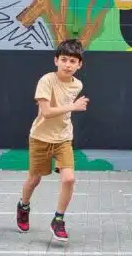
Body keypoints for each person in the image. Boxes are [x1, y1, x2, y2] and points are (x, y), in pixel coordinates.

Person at [17, 38, 88, 241]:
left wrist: (71, 109)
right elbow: (47, 112)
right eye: (64, 60)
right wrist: (73, 107)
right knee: (34, 179)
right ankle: (23, 206)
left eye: (72, 61)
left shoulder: (77, 85)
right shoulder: (46, 80)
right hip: (40, 137)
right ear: (56, 60)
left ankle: (58, 220)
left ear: (79, 65)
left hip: (63, 138)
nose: (68, 65)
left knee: (69, 178)